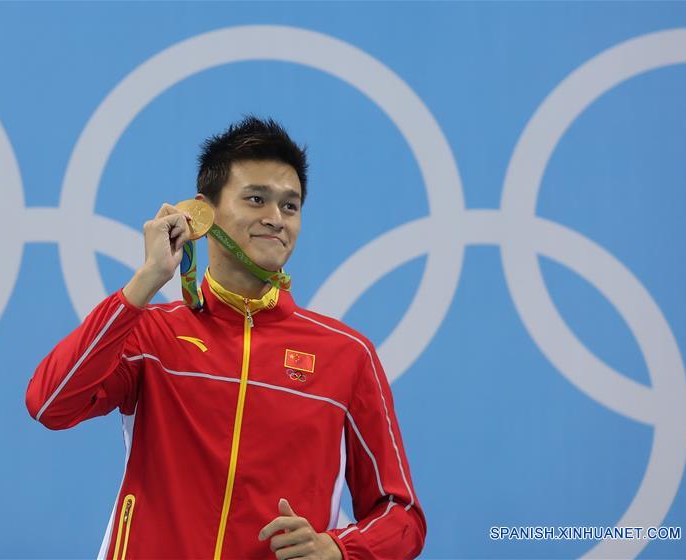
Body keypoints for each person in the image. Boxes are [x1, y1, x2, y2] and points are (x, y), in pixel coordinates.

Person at [25, 116, 426, 559]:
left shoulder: (347, 355)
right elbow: (50, 403)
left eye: (290, 207)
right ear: (204, 211)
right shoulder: (152, 334)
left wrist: (337, 549)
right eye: (256, 199)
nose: (276, 219)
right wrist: (145, 281)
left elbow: (402, 515)